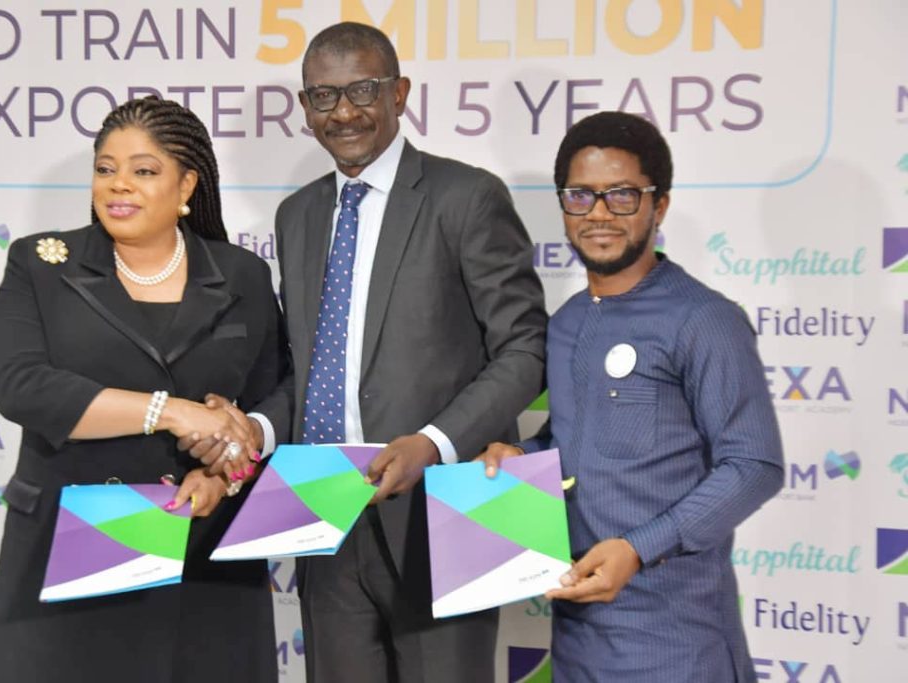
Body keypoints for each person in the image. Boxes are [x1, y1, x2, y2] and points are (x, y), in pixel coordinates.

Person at [186, 20, 547, 683]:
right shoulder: (297, 215)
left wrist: (433, 442)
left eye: (363, 90)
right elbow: (309, 364)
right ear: (304, 108)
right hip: (321, 512)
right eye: (324, 96)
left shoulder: (466, 197)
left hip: (450, 507)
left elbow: (525, 350)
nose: (344, 111)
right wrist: (255, 427)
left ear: (400, 93)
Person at [0, 96, 290, 682]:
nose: (119, 184)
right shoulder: (42, 265)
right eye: (105, 168)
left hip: (205, 556)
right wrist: (170, 412)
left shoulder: (243, 274)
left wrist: (226, 474)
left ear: (186, 186)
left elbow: (273, 400)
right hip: (65, 551)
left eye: (144, 170)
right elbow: (21, 385)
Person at [479, 111, 784, 682]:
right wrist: (523, 457)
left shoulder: (705, 319)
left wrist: (639, 548)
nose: (599, 214)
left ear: (658, 205)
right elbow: (577, 439)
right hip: (576, 637)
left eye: (622, 196)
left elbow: (754, 464)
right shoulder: (566, 323)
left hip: (675, 641)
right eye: (581, 196)